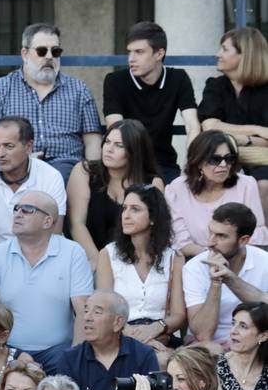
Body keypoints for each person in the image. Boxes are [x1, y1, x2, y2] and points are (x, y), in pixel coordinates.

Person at [0, 23, 103, 185]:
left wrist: (93, 175)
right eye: (42, 51)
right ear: (25, 54)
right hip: (16, 165)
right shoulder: (0, 88)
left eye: (55, 51)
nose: (49, 56)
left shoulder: (79, 89)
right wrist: (17, 158)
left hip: (68, 169)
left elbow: (93, 141)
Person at [0, 191, 94, 357]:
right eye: (16, 209)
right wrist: (4, 354)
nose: (18, 214)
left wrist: (75, 356)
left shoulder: (73, 252)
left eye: (27, 210)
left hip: (60, 352)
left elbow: (84, 311)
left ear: (47, 221)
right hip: (7, 351)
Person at [41, 291, 159, 390]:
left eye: (97, 312)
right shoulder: (70, 358)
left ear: (118, 322)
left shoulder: (143, 355)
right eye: (86, 310)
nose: (87, 317)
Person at [0, 116, 68, 270]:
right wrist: (12, 257)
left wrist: (28, 258)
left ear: (28, 146)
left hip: (40, 253)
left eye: (8, 146)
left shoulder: (50, 176)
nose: (0, 153)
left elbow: (54, 233)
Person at [102, 21, 200, 184]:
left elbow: (192, 125)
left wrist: (192, 165)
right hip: (126, 165)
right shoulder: (115, 81)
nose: (131, 59)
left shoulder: (178, 79)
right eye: (130, 52)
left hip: (164, 164)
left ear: (159, 54)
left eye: (139, 52)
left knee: (179, 195)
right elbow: (116, 127)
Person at [96, 184, 186, 356]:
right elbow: (106, 308)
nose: (126, 215)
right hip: (120, 333)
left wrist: (155, 329)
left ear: (153, 218)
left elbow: (178, 315)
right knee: (152, 358)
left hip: (161, 334)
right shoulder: (108, 254)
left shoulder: (174, 257)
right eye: (124, 209)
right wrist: (138, 337)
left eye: (135, 209)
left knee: (163, 359)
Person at [67, 120, 164, 266]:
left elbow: (151, 232)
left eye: (119, 145)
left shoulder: (152, 184)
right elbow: (76, 224)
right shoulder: (84, 171)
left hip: (131, 261)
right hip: (89, 258)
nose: (109, 149)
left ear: (134, 151)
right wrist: (99, 263)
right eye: (107, 142)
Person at [166, 131, 268, 258]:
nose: (224, 165)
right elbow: (181, 243)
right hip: (194, 261)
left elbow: (256, 238)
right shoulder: (177, 188)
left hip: (240, 261)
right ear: (198, 162)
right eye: (215, 159)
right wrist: (211, 257)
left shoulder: (246, 184)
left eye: (228, 159)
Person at [198, 27, 268, 211]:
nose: (217, 54)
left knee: (263, 185)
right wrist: (258, 131)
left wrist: (242, 139)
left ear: (245, 55)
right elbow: (210, 126)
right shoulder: (215, 86)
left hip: (262, 162)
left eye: (224, 49)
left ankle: (262, 238)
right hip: (221, 158)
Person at [184, 202, 268, 346]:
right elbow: (203, 334)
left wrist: (230, 279)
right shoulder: (194, 267)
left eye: (221, 236)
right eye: (210, 232)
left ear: (243, 240)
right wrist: (216, 283)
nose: (210, 242)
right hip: (209, 345)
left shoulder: (264, 262)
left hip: (253, 342)